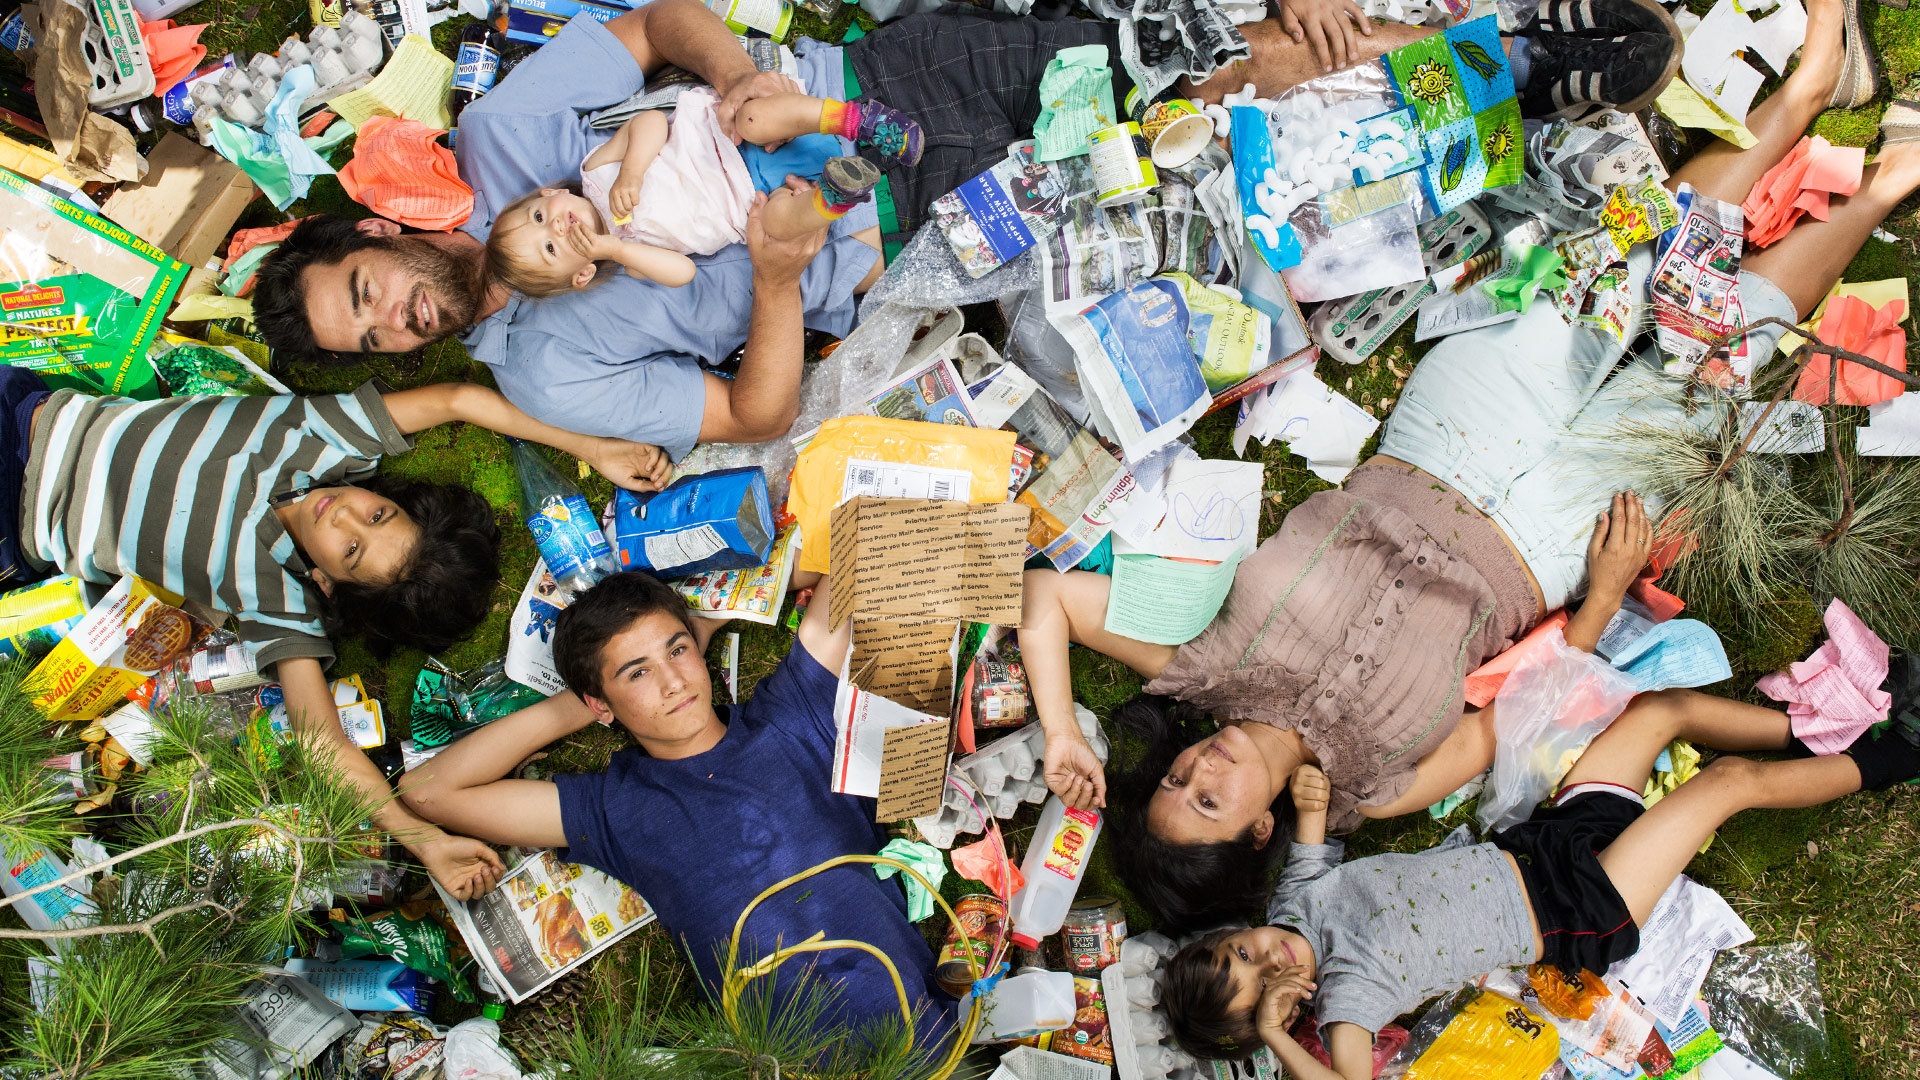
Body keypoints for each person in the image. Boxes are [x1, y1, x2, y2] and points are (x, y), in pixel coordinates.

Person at [1018, 0, 1910, 930]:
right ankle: (1887, 186)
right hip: (1554, 535)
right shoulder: (1380, 790)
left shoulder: (1194, 663)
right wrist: (1601, 598)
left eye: (1175, 776)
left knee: (1634, 247)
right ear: (1256, 838)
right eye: (1207, 800)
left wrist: (1055, 731)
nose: (1200, 768)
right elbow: (1523, 721)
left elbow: (1043, 600)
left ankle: (1811, 84)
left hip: (1451, 437)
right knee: (1728, 355)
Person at [249, 0, 1677, 460]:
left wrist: (738, 73)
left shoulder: (502, 135)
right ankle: (1516, 88)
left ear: (366, 234)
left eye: (367, 287)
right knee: (1232, 169)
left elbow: (651, 22)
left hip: (875, 86)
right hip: (923, 246)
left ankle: (1480, 41)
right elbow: (758, 412)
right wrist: (779, 278)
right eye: (371, 336)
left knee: (1177, 48)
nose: (400, 316)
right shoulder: (543, 378)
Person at [1, 368, 669, 898]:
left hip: (16, 520)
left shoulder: (276, 598)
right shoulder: (320, 437)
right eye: (379, 514)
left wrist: (422, 841)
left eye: (351, 552)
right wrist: (590, 446)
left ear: (332, 585)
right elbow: (459, 398)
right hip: (33, 411)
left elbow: (322, 740)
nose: (344, 517)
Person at [1155, 675, 1920, 1077]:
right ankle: (1898, 754)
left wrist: (1310, 801)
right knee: (1724, 784)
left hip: (1543, 842)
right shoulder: (1349, 1000)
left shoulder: (1294, 908)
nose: (1269, 955)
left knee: (1658, 712)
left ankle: (1833, 724)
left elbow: (1311, 836)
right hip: (1580, 906)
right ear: (1286, 1016)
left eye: (1240, 950)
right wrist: (1270, 1037)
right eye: (1262, 984)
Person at [397, 571, 955, 1050]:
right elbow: (428, 791)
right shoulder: (615, 807)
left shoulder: (789, 714)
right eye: (636, 672)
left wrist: (717, 611)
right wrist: (589, 704)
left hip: (933, 1038)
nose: (673, 681)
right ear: (600, 703)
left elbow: (872, 543)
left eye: (678, 650)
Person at [484, 88, 924, 295]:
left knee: (754, 115)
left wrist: (632, 172)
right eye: (550, 248)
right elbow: (683, 272)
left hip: (728, 140)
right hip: (755, 198)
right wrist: (613, 250)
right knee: (772, 228)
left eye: (541, 217)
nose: (558, 228)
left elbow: (652, 122)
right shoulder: (629, 253)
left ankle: (857, 121)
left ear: (547, 193)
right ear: (582, 275)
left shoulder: (597, 171)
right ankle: (835, 195)